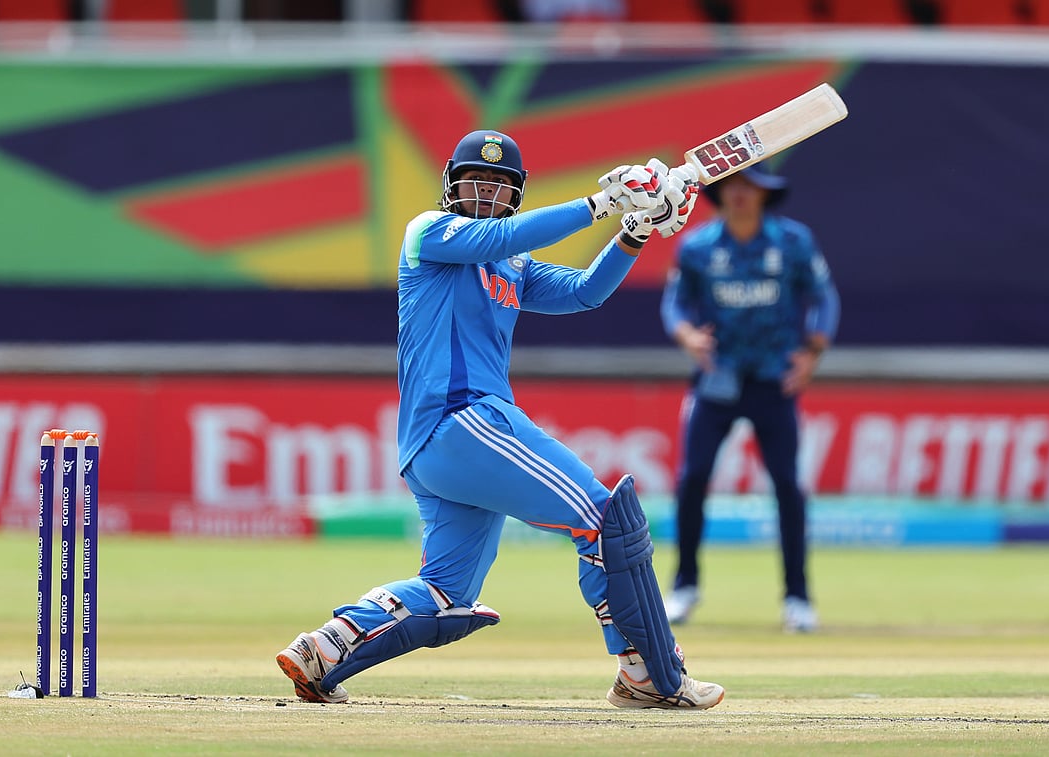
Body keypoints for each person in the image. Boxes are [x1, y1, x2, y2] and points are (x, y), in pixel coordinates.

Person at [277, 129, 725, 710]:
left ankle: (325, 649)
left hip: (435, 449)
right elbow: (504, 234)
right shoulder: (429, 233)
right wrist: (604, 203)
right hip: (464, 419)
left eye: (499, 184)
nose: (486, 192)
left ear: (514, 192)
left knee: (446, 592)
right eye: (475, 181)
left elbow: (585, 294)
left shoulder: (510, 264)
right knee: (600, 515)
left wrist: (632, 232)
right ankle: (645, 672)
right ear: (451, 187)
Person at [659, 164, 840, 633]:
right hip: (716, 378)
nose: (740, 194)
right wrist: (687, 338)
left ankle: (797, 598)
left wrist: (813, 352)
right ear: (720, 194)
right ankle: (684, 586)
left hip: (774, 380)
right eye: (732, 186)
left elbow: (824, 297)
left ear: (764, 194)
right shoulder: (697, 246)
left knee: (786, 485)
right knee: (693, 478)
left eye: (750, 186)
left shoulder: (793, 242)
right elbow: (675, 303)